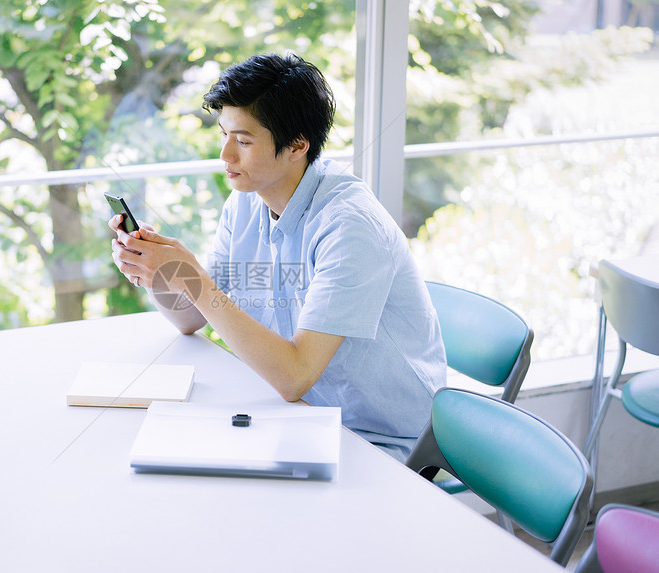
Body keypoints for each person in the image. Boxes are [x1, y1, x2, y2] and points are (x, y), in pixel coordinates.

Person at [109, 53, 446, 461]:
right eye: (224, 135)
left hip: (381, 439)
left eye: (244, 141)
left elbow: (294, 377)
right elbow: (190, 318)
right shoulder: (247, 200)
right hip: (299, 414)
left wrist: (193, 277)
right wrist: (159, 271)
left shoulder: (350, 227)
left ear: (298, 146)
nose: (225, 156)